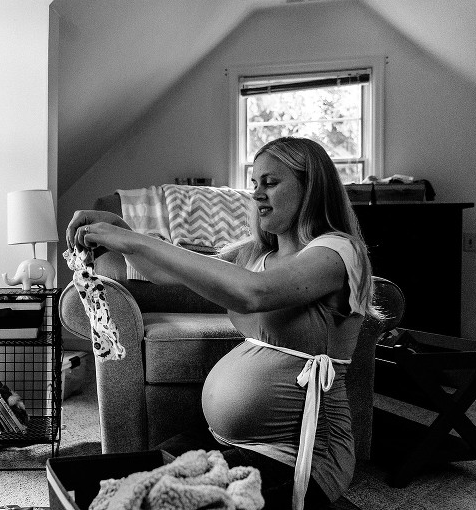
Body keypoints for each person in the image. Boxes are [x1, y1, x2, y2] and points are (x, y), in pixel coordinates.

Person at [66, 137, 378, 510]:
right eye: (255, 183)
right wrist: (123, 234)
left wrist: (129, 238)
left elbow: (253, 294)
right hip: (225, 441)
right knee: (124, 484)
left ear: (311, 187)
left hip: (297, 457)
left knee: (159, 500)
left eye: (270, 182)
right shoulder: (255, 253)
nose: (257, 194)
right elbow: (164, 272)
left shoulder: (338, 251)